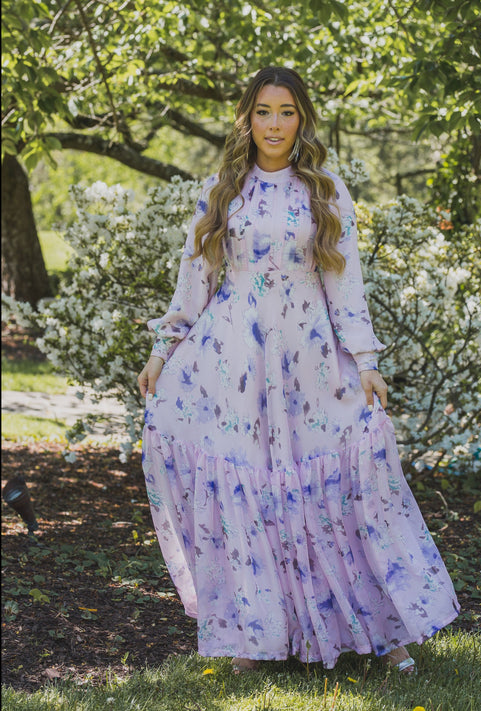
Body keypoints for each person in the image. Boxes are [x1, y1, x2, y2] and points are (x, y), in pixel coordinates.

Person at [138, 66, 459, 675]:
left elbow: (346, 285)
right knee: (248, 488)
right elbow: (194, 280)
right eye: (263, 112)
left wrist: (365, 361)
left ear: (302, 117)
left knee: (342, 486)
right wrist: (163, 350)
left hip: (311, 360)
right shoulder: (223, 190)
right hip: (233, 361)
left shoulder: (325, 190)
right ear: (247, 118)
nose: (275, 125)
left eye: (286, 112)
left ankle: (385, 635)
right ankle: (252, 635)